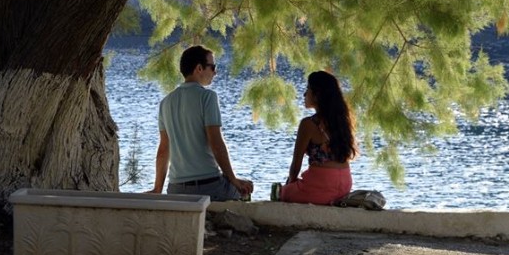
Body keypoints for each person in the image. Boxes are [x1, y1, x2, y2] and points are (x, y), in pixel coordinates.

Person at [148, 45, 254, 201]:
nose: (215, 72)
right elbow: (216, 142)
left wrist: (158, 189)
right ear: (199, 68)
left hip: (175, 189)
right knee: (246, 187)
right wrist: (233, 179)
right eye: (212, 67)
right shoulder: (207, 97)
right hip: (208, 187)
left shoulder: (165, 103)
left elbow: (163, 150)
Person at [275, 70, 358, 205]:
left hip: (321, 186)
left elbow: (296, 165)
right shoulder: (342, 121)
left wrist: (290, 186)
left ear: (317, 95)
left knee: (281, 193)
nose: (304, 94)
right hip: (344, 186)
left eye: (308, 89)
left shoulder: (308, 124)